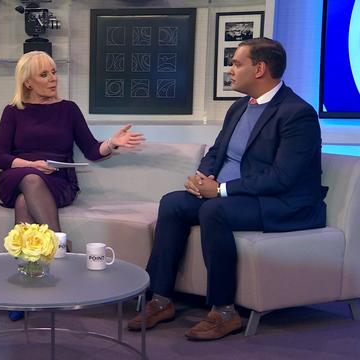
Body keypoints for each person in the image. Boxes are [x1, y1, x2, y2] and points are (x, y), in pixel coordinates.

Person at [127, 38, 327, 340]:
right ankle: (161, 298)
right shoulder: (238, 108)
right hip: (232, 195)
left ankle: (224, 311)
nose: (230, 70)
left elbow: (283, 177)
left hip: (279, 202)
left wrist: (220, 189)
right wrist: (200, 176)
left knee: (214, 210)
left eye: (236, 63)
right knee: (173, 203)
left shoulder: (297, 113)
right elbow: (217, 151)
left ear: (259, 69)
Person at [0, 51, 144, 321]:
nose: (53, 79)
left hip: (57, 181)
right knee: (29, 179)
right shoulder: (12, 112)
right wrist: (32, 165)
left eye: (53, 72)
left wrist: (112, 143)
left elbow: (90, 149)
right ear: (28, 82)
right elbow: (0, 157)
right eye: (44, 74)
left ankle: (23, 291)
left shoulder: (68, 109)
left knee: (23, 201)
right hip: (16, 176)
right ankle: (60, 250)